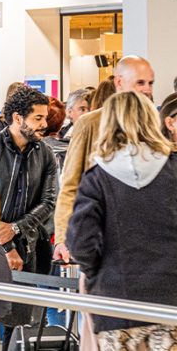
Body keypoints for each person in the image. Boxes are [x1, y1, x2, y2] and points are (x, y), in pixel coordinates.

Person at [67, 91, 177, 351]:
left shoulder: (98, 178)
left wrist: (99, 275)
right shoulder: (173, 170)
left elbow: (81, 242)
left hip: (117, 304)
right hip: (171, 301)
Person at [54, 55, 155, 263]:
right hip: (99, 239)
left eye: (150, 83)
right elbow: (70, 184)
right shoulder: (89, 124)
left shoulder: (153, 125)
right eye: (140, 82)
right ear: (119, 82)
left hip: (143, 243)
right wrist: (63, 238)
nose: (147, 89)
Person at [0, 85, 58, 330]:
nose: (44, 124)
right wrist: (5, 243)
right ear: (18, 118)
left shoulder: (46, 153)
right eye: (37, 118)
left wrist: (16, 229)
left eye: (45, 117)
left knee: (18, 325)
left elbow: (48, 202)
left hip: (26, 248)